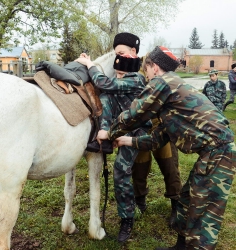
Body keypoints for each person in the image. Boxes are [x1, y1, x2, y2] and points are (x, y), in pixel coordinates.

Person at [97, 46, 236, 250]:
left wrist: (109, 133)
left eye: (146, 69)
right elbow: (157, 138)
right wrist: (128, 141)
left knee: (203, 214)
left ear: (154, 67)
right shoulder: (172, 93)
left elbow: (135, 114)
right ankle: (180, 246)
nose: (146, 74)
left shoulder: (162, 82)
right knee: (186, 202)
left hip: (218, 152)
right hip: (212, 153)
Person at [76, 33, 182, 243]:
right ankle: (132, 212)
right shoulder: (124, 72)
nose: (119, 61)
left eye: (122, 55)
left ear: (133, 53)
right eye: (117, 57)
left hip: (158, 127)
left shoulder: (138, 75)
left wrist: (90, 64)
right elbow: (109, 95)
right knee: (134, 170)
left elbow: (105, 83)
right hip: (131, 130)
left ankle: (177, 208)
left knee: (169, 167)